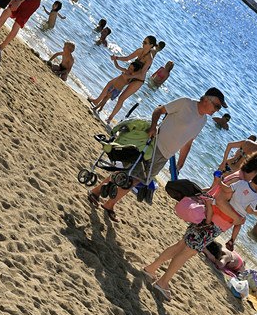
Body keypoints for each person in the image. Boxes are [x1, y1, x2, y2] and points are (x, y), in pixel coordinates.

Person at [87, 87, 228, 222]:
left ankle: (104, 199)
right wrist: (153, 127)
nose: (217, 110)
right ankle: (101, 197)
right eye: (217, 106)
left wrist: (180, 163)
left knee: (136, 178)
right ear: (207, 99)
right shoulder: (186, 103)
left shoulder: (203, 121)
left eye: (219, 108)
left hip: (165, 156)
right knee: (130, 175)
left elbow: (188, 142)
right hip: (154, 146)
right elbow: (159, 110)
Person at [142, 171, 257, 301]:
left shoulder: (241, 183)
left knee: (181, 245)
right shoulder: (255, 196)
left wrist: (219, 181)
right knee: (187, 253)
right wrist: (255, 213)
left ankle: (151, 269)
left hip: (208, 217)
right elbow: (248, 210)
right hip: (215, 226)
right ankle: (163, 282)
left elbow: (226, 190)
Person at [106, 36, 158, 120]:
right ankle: (97, 101)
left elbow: (142, 73)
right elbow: (127, 58)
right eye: (143, 42)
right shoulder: (139, 50)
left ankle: (110, 118)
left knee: (121, 98)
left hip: (138, 80)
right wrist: (117, 58)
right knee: (110, 84)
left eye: (145, 43)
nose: (143, 44)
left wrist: (130, 76)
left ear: (151, 45)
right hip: (130, 74)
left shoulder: (149, 59)